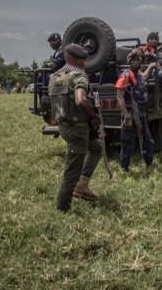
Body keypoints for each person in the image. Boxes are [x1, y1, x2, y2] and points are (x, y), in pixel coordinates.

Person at [48, 44, 102, 212]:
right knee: (71, 171)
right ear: (77, 60)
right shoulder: (79, 76)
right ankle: (62, 208)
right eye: (84, 60)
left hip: (64, 127)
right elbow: (80, 100)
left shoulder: (55, 76)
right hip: (78, 129)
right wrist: (94, 116)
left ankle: (82, 184)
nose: (86, 64)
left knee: (97, 147)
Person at [115, 49, 155, 172]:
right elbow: (119, 97)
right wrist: (126, 117)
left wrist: (152, 66)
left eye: (138, 60)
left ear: (141, 63)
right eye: (133, 60)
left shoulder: (139, 75)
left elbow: (145, 76)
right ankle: (124, 168)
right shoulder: (125, 76)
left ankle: (149, 165)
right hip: (130, 114)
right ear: (129, 61)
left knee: (148, 142)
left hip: (141, 113)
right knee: (128, 142)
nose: (135, 62)